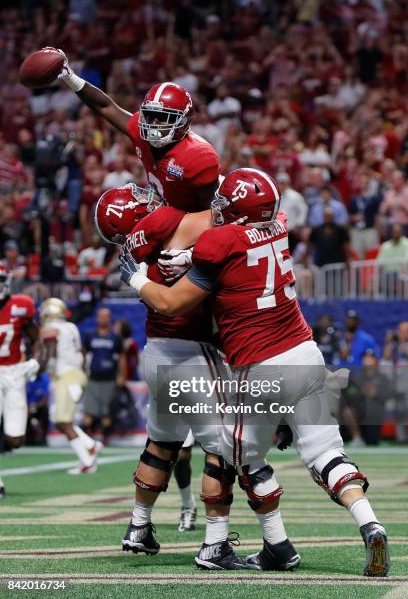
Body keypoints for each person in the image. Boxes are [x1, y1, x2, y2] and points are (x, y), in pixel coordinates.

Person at [121, 168, 389, 577]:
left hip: (261, 365)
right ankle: (369, 522)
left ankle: (272, 545)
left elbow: (172, 303)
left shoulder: (217, 241)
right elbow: (239, 247)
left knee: (238, 455)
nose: (219, 210)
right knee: (325, 454)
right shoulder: (279, 226)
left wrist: (138, 278)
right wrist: (194, 256)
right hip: (307, 354)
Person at [96, 184, 294, 569]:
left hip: (155, 352)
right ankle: (215, 544)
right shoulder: (172, 224)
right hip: (192, 353)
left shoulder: (142, 250)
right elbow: (229, 224)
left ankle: (138, 526)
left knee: (161, 442)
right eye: (141, 203)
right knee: (225, 449)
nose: (151, 201)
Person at [46, 47, 219, 212]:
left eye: (163, 118)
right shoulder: (142, 133)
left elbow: (210, 214)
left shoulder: (199, 156)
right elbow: (106, 106)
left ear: (183, 121)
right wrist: (71, 77)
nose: (154, 124)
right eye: (150, 116)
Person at [40, 297, 102, 474]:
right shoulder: (72, 327)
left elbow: (50, 353)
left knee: (62, 421)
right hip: (77, 375)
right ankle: (90, 445)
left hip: (67, 376)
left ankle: (87, 461)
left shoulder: (51, 329)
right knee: (61, 420)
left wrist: (41, 368)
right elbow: (81, 352)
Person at [0, 263, 41, 499]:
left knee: (15, 438)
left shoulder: (21, 305)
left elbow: (36, 338)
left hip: (14, 372)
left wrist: (36, 360)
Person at [82, 307, 126, 443]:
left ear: (109, 318)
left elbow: (122, 357)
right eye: (100, 316)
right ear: (97, 318)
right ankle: (86, 441)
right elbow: (83, 354)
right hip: (93, 377)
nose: (103, 318)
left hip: (110, 378)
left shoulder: (115, 338)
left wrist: (122, 376)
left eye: (105, 316)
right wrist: (82, 371)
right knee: (89, 410)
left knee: (106, 411)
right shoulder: (90, 336)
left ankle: (104, 439)